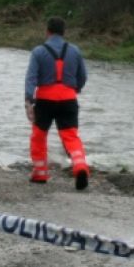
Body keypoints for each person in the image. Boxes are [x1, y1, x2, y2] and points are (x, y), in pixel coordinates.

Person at [24, 16, 90, 190]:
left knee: (39, 136)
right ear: (64, 32)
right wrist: (75, 89)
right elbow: (82, 77)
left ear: (47, 31)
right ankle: (80, 166)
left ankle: (40, 173)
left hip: (45, 100)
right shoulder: (74, 51)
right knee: (70, 136)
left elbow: (31, 78)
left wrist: (28, 101)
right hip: (68, 99)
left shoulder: (38, 51)